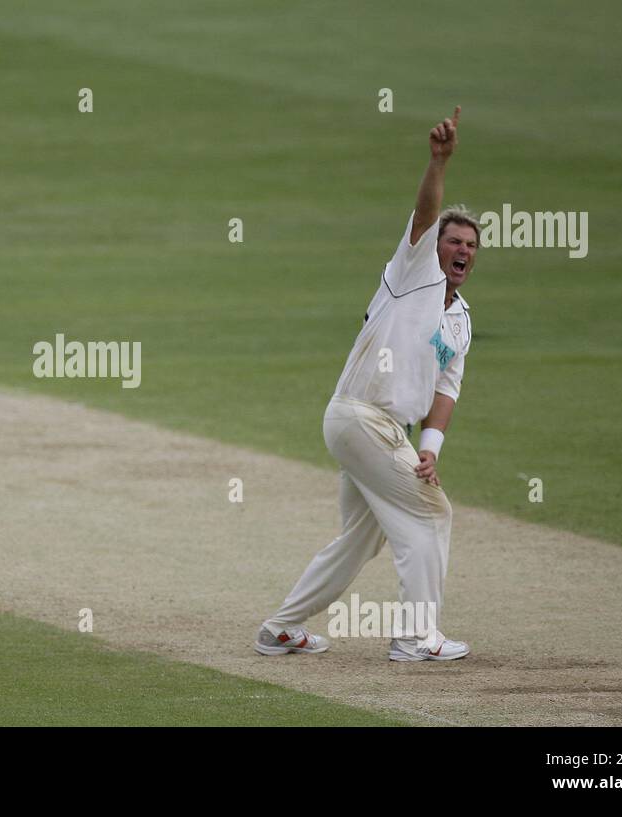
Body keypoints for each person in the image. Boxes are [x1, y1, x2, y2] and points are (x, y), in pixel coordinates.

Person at [256, 106, 477, 662]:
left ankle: (281, 628)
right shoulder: (413, 273)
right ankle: (415, 637)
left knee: (365, 535)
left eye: (471, 246)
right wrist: (438, 161)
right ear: (436, 247)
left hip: (384, 429)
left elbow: (447, 390)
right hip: (362, 414)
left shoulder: (461, 318)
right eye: (454, 242)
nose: (462, 251)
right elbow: (425, 216)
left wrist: (430, 450)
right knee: (431, 513)